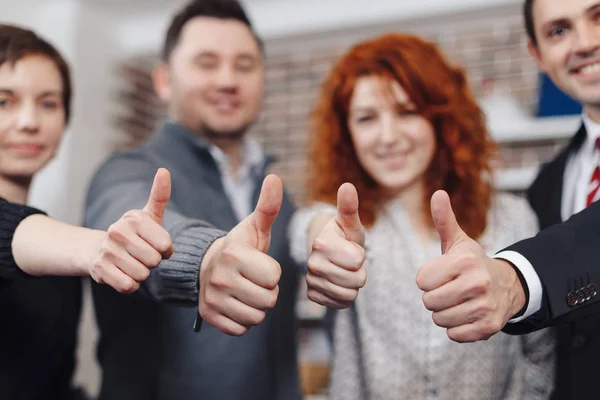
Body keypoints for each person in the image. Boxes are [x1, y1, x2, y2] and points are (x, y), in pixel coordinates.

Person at [289, 32, 555, 400]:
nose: (388, 136)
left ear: (441, 118)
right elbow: (308, 228)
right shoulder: (345, 221)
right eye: (366, 118)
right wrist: (323, 238)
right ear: (346, 133)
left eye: (407, 111)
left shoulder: (513, 218)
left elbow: (540, 351)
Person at [83, 1, 300, 399]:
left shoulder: (277, 197)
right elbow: (134, 223)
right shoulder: (124, 171)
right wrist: (204, 258)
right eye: (206, 62)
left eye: (245, 65)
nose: (228, 80)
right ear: (164, 81)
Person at [418, 2, 600, 398]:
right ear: (537, 55)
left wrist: (515, 279)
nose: (585, 43)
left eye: (599, 16)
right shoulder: (547, 183)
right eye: (558, 31)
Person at [0, 24, 175, 400]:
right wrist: (97, 247)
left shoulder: (61, 264)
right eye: (4, 102)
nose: (29, 122)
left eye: (48, 103)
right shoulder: (77, 250)